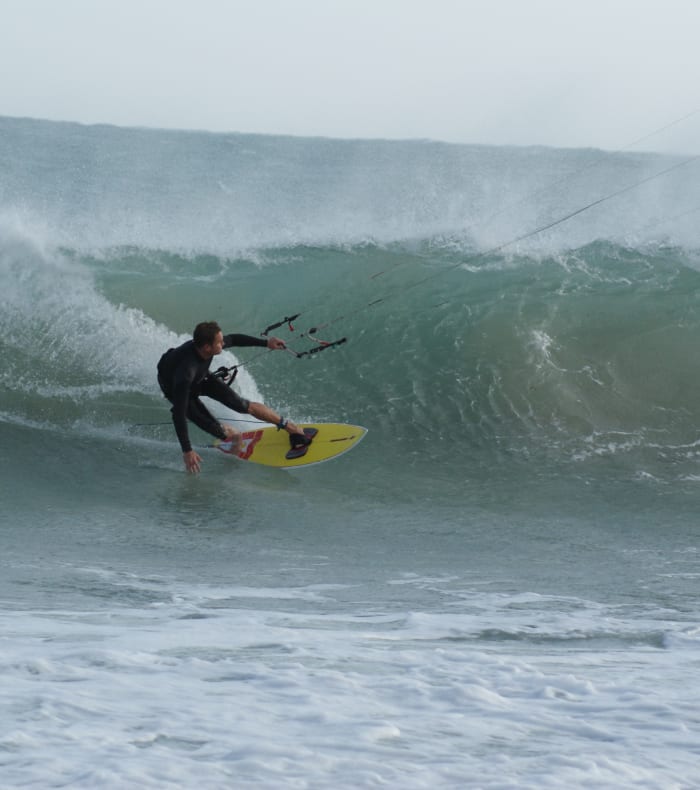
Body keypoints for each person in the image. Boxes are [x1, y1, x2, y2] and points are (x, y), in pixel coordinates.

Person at [157, 321, 310, 473]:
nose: (223, 343)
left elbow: (234, 339)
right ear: (207, 347)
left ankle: (290, 427)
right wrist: (187, 451)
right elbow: (178, 414)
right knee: (215, 429)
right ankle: (234, 436)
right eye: (219, 342)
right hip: (176, 387)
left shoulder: (205, 347)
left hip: (199, 376)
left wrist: (266, 343)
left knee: (242, 405)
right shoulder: (186, 373)